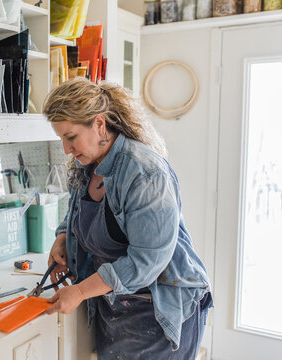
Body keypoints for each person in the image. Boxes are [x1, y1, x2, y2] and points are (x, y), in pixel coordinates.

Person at [43, 78, 213, 359]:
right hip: (117, 306)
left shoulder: (144, 173)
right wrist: (63, 238)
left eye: (70, 137)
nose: (66, 150)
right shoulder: (88, 163)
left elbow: (147, 262)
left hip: (160, 309)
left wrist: (81, 291)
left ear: (99, 124)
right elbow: (76, 211)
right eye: (61, 138)